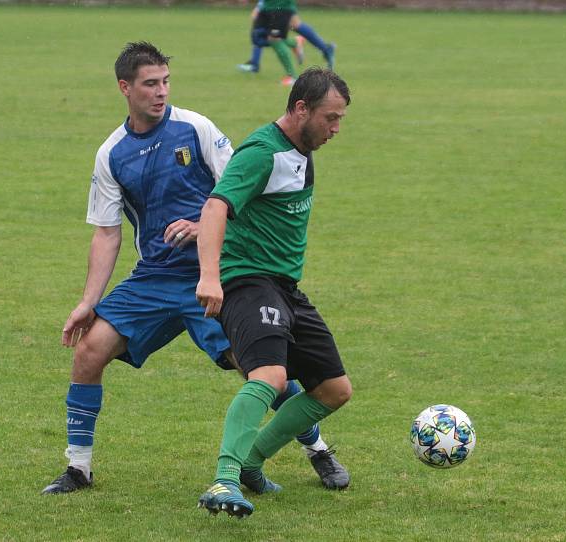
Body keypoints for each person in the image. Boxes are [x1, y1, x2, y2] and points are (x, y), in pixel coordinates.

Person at [41, 42, 347, 495]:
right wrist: (88, 302)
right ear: (125, 88)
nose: (161, 92)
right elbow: (107, 234)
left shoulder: (196, 127)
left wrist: (202, 219)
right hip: (154, 278)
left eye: (165, 81)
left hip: (217, 272)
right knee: (89, 352)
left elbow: (235, 189)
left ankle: (317, 450)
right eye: (150, 84)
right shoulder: (111, 153)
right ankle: (78, 468)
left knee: (263, 368)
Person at [195, 67, 352, 517]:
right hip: (247, 281)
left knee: (335, 390)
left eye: (341, 119)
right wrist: (209, 276)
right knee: (270, 376)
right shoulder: (262, 151)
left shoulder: (302, 149)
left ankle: (250, 462)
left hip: (285, 287)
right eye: (330, 118)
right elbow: (216, 205)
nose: (335, 129)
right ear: (300, 108)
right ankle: (224, 480)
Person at [238, 0, 337, 86]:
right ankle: (299, 43)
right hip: (269, 5)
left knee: (274, 39)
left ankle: (292, 76)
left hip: (279, 5)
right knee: (258, 38)